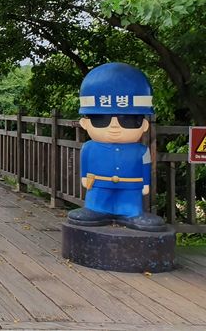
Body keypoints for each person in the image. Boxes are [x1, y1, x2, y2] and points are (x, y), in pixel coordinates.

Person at [67, 62, 166, 232]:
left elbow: (145, 166)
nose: (115, 127)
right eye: (101, 120)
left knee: (130, 202)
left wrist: (146, 183)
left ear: (143, 125)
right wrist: (84, 177)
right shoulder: (89, 147)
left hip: (130, 185)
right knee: (98, 200)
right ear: (85, 123)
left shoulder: (141, 150)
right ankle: (95, 210)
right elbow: (85, 164)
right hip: (99, 183)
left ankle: (131, 213)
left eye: (127, 120)